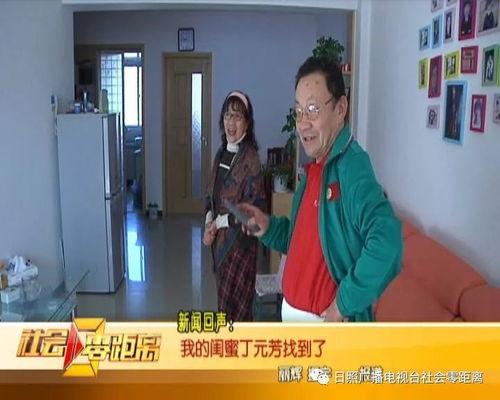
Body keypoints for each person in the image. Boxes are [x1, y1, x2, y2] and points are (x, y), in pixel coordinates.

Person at [239, 57, 403, 322]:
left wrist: (343, 304)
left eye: (313, 109)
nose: (302, 123)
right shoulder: (315, 169)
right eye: (298, 111)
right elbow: (300, 240)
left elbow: (388, 242)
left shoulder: (351, 166)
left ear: (340, 109)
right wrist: (267, 227)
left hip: (324, 327)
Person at [202, 90, 265, 322]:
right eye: (228, 115)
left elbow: (253, 212)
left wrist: (220, 222)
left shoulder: (252, 160)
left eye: (237, 117)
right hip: (220, 248)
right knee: (224, 307)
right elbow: (211, 194)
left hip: (241, 248)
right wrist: (209, 222)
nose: (231, 122)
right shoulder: (221, 153)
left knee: (240, 312)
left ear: (247, 122)